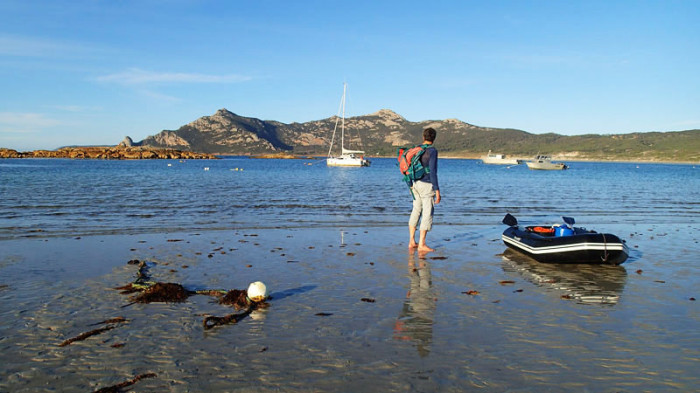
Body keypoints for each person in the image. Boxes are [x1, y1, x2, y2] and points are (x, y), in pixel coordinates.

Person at [408, 127, 441, 252]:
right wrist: (437, 190)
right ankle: (421, 244)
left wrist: (411, 183)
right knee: (427, 213)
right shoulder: (432, 151)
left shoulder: (417, 149)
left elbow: (410, 167)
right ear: (434, 138)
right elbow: (432, 172)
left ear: (423, 137)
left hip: (415, 183)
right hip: (426, 185)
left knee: (416, 211)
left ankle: (411, 241)